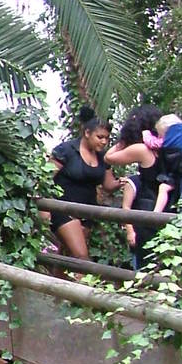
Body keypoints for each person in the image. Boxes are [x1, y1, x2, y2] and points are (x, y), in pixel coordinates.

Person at [104, 106, 182, 269]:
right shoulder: (175, 150)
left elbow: (109, 157)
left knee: (145, 268)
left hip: (147, 213)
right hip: (172, 211)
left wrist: (125, 139)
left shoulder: (142, 150)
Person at [47, 106, 119, 260]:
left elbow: (108, 185)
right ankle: (84, 284)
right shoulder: (66, 150)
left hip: (87, 212)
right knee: (81, 256)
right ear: (87, 133)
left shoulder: (102, 157)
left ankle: (54, 282)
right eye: (100, 137)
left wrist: (125, 182)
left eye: (107, 138)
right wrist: (44, 208)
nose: (104, 141)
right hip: (63, 208)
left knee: (67, 255)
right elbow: (45, 178)